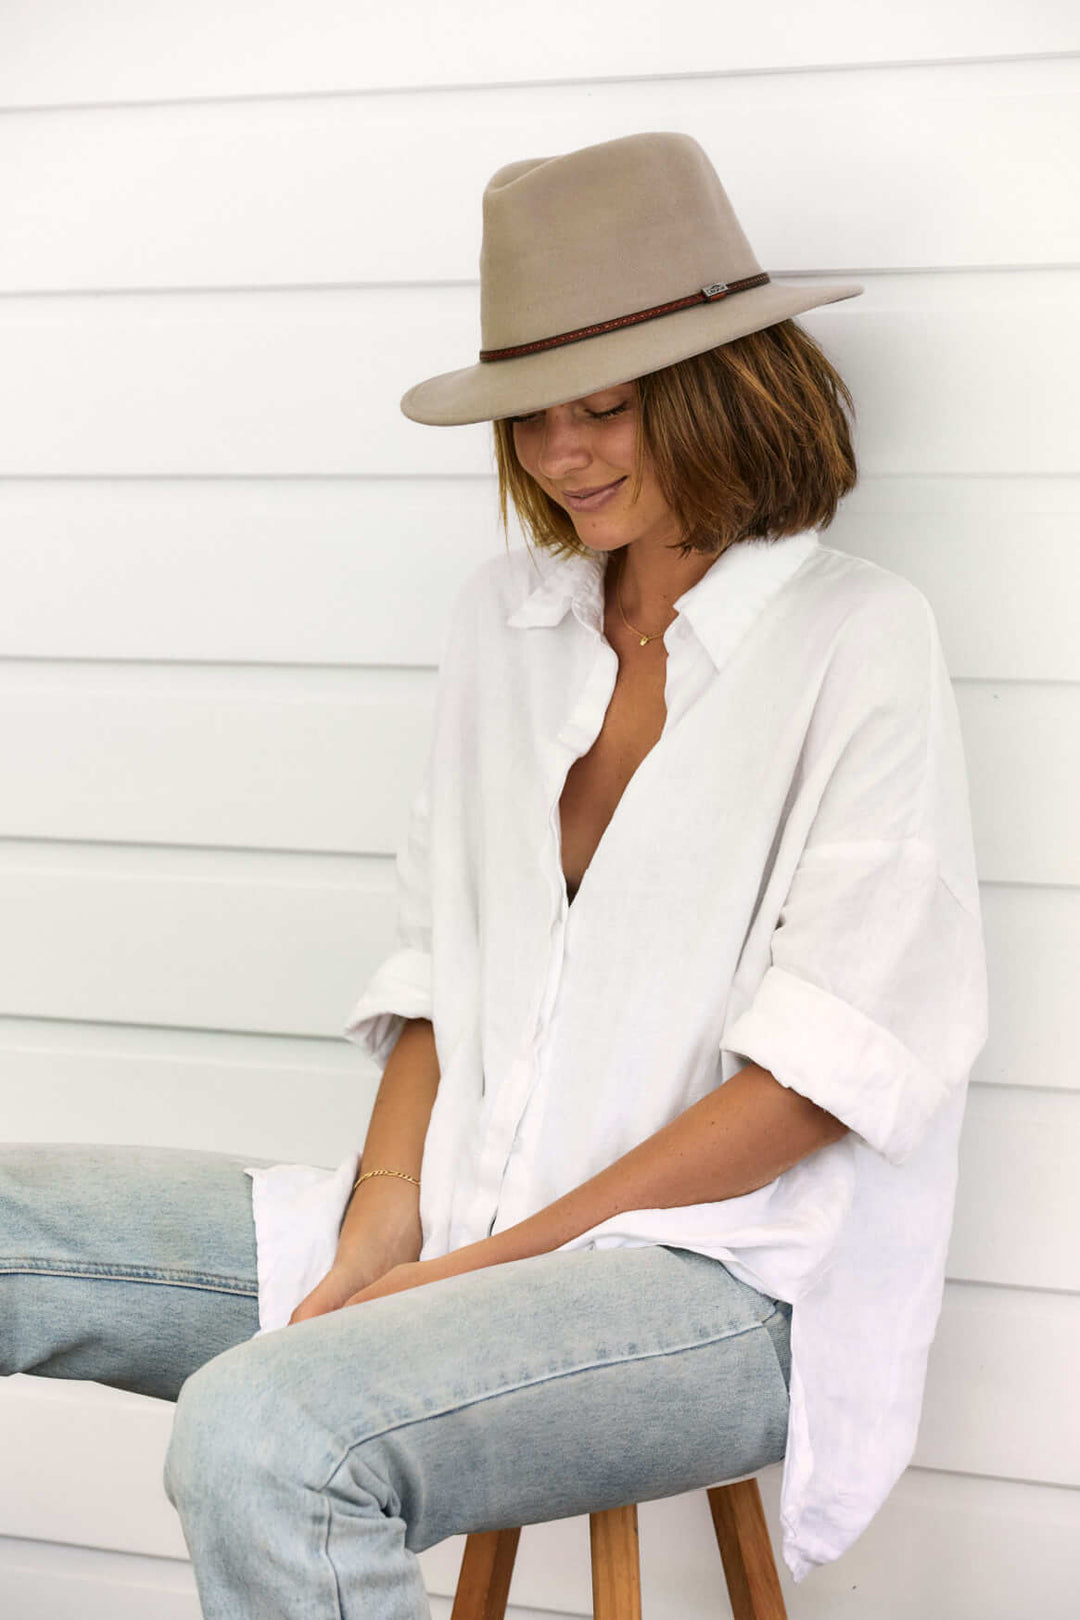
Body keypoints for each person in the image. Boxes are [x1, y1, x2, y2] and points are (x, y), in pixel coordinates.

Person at [0, 132, 988, 1617]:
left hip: (710, 1289)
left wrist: (498, 1264)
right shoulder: (503, 624)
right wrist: (391, 1204)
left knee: (270, 1430)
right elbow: (435, 963)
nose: (561, 456)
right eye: (529, 417)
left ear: (725, 391)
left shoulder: (862, 640)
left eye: (606, 410)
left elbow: (815, 1082)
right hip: (462, 1221)